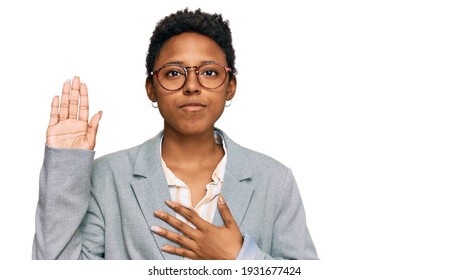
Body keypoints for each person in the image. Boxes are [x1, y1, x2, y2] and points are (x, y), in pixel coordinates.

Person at [32, 8, 318, 260]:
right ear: (150, 88)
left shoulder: (274, 180)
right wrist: (66, 166)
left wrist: (241, 257)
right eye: (173, 73)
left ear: (230, 85)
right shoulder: (107, 177)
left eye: (209, 72)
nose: (191, 86)